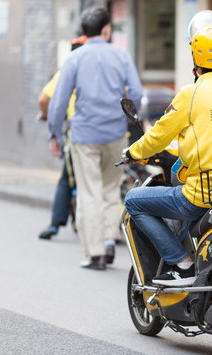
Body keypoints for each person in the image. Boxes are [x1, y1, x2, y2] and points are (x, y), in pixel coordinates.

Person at [122, 11, 212, 287]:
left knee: (134, 200)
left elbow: (158, 136)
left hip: (202, 194)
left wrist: (132, 153)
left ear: (196, 58)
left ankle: (181, 263)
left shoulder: (190, 93)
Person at [48, 6, 143, 270]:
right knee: (112, 189)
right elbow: (135, 92)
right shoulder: (121, 56)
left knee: (89, 192)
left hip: (84, 136)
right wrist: (128, 119)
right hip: (115, 134)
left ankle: (95, 253)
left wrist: (54, 132)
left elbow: (58, 102)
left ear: (83, 32)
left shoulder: (75, 59)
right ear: (106, 30)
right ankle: (110, 240)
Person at [38, 35, 87, 240]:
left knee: (67, 178)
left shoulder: (66, 70)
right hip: (109, 133)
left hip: (77, 133)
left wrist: (48, 119)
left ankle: (56, 224)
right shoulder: (103, 68)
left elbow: (45, 99)